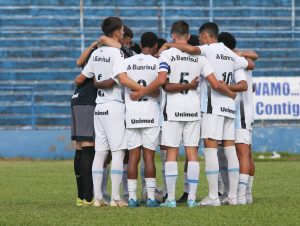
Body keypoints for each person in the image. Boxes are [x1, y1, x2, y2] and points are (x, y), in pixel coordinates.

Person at [130, 20, 236, 208]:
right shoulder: (201, 57)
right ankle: (192, 198)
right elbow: (215, 82)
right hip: (193, 109)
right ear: (188, 36)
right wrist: (230, 92)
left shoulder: (167, 55)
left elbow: (164, 82)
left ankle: (170, 199)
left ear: (173, 36)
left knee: (171, 152)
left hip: (173, 109)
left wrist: (140, 93)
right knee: (192, 152)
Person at [158, 22, 254, 206]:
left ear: (206, 36)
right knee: (229, 148)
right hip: (229, 107)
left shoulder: (206, 50)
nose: (200, 40)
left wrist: (170, 45)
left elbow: (191, 50)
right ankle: (233, 196)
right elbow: (250, 64)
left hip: (213, 106)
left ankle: (213, 196)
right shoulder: (227, 51)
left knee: (209, 148)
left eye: (201, 37)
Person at [75, 16, 145, 207]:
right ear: (116, 32)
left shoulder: (96, 53)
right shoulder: (118, 53)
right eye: (122, 30)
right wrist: (140, 88)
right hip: (114, 106)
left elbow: (80, 78)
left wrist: (98, 81)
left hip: (99, 108)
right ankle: (115, 197)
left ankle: (97, 198)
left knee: (100, 153)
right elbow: (124, 75)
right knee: (118, 152)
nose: (123, 33)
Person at [218, 32, 258, 205]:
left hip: (241, 110)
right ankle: (237, 193)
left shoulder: (237, 60)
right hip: (235, 111)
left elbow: (252, 62)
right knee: (236, 152)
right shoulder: (233, 58)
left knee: (243, 152)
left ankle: (243, 194)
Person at [122, 32, 161, 208]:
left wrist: (137, 92)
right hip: (150, 114)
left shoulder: (127, 62)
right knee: (149, 157)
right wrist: (147, 92)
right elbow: (158, 91)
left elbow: (121, 83)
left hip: (131, 114)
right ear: (154, 46)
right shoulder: (157, 63)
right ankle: (151, 197)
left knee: (133, 158)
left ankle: (131, 198)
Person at [71, 42, 97, 206]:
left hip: (76, 100)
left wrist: (92, 45)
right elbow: (78, 78)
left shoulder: (88, 59)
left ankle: (81, 196)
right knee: (88, 146)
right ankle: (88, 197)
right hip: (87, 101)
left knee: (79, 147)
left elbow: (79, 62)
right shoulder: (99, 59)